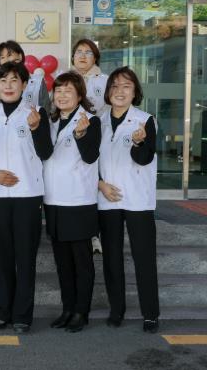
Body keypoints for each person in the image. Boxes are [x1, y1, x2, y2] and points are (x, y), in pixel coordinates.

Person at [0, 61, 52, 334]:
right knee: (3, 257)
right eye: (3, 81)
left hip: (27, 194)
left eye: (14, 80)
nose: (8, 86)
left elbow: (46, 152)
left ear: (24, 85)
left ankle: (22, 315)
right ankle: (2, 311)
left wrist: (36, 128)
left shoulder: (36, 112)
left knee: (25, 257)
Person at [97, 66, 160, 333]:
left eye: (126, 86)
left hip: (137, 199)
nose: (119, 91)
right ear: (108, 91)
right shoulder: (97, 121)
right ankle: (117, 310)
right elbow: (89, 160)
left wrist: (138, 143)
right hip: (107, 198)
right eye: (115, 86)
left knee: (144, 258)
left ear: (135, 92)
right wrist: (100, 184)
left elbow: (144, 158)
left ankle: (150, 314)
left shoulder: (145, 121)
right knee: (111, 258)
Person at [41, 72, 101, 333]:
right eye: (58, 90)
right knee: (62, 261)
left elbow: (90, 156)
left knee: (81, 261)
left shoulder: (91, 121)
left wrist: (81, 134)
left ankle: (81, 312)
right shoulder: (50, 121)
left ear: (79, 96)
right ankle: (67, 309)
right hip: (53, 200)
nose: (62, 95)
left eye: (68, 91)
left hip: (78, 201)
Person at [65, 38, 108, 255]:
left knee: (94, 187)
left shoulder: (105, 81)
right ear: (73, 56)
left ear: (95, 58)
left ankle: (94, 235)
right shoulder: (64, 80)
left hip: (98, 141)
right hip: (69, 141)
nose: (83, 56)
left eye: (88, 52)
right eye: (79, 52)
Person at [0, 40, 50, 112]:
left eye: (9, 55)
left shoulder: (37, 81)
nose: (6, 60)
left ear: (20, 56)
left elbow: (46, 108)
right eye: (2, 57)